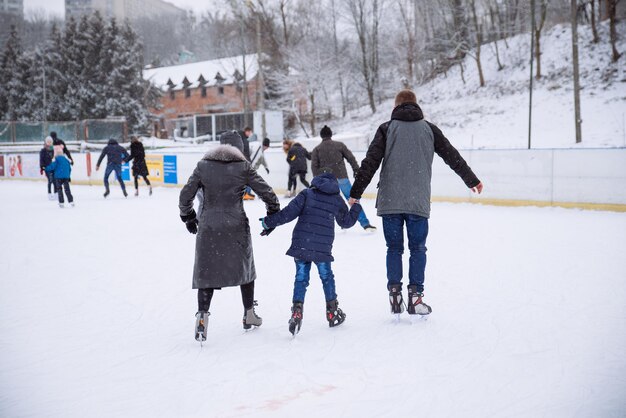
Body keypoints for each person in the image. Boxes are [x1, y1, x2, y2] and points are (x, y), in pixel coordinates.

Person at [349, 90, 484, 317]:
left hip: (390, 200)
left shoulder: (386, 128)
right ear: (416, 104)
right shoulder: (429, 129)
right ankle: (415, 297)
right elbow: (452, 156)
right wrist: (472, 179)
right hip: (418, 201)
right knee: (417, 248)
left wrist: (356, 193)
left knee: (393, 248)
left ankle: (395, 295)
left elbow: (369, 162)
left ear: (396, 105)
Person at [179, 130, 280, 342]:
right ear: (240, 148)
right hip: (236, 226)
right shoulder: (243, 167)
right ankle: (249, 314)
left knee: (206, 272)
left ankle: (202, 317)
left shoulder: (203, 166)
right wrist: (272, 214)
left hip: (208, 227)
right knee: (245, 268)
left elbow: (185, 195)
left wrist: (188, 217)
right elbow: (268, 193)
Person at [260, 172, 362, 336]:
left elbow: (287, 214)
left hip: (302, 244)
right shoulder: (336, 199)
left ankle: (297, 312)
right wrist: (355, 206)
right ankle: (332, 311)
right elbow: (346, 222)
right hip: (322, 248)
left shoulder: (307, 194)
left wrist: (268, 222)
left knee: (301, 278)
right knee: (326, 277)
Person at [312, 125, 376, 232]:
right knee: (353, 200)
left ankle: (325, 225)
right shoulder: (339, 145)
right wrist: (356, 170)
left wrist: (317, 180)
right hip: (341, 177)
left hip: (326, 181)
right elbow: (351, 158)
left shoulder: (317, 149)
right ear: (330, 134)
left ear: (321, 136)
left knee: (327, 202)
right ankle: (365, 224)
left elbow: (314, 166)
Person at [242, 127, 259, 200]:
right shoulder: (244, 140)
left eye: (250, 132)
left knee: (247, 178)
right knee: (249, 178)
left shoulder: (244, 139)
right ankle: (246, 193)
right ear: (245, 131)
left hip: (243, 162)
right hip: (244, 162)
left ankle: (246, 193)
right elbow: (245, 152)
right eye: (248, 132)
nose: (249, 134)